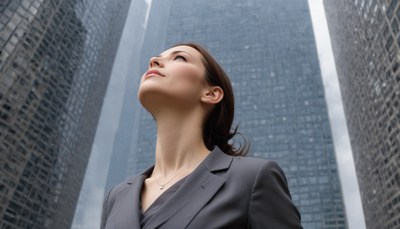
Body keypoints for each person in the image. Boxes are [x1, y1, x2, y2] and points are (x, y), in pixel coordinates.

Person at [101, 43, 303, 229]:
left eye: (179, 58)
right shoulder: (116, 197)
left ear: (211, 94)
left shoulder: (251, 179)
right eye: (157, 57)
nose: (154, 60)